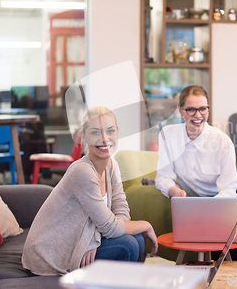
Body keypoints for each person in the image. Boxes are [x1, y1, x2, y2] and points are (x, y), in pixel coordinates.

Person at [22, 106, 158, 275]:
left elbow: (121, 211)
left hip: (78, 240)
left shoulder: (112, 166)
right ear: (84, 137)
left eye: (110, 131)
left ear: (117, 133)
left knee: (137, 239)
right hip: (51, 253)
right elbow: (109, 226)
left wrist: (94, 239)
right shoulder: (83, 172)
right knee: (128, 245)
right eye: (95, 132)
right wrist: (146, 225)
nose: (104, 138)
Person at [155, 85, 237, 260]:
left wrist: (212, 211)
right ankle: (209, 278)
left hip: (229, 197)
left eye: (203, 109)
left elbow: (229, 187)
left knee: (224, 229)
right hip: (194, 200)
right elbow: (163, 177)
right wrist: (174, 192)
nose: (198, 115)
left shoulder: (222, 141)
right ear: (180, 110)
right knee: (217, 230)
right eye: (191, 109)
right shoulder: (168, 135)